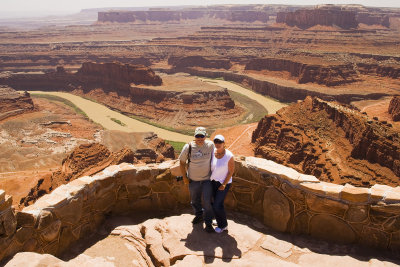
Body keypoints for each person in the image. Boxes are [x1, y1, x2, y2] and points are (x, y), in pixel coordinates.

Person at [179, 127, 215, 233]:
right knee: (195, 201)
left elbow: (218, 156)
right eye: (197, 136)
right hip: (193, 180)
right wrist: (185, 177)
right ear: (194, 136)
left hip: (207, 180)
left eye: (202, 136)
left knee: (208, 202)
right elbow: (181, 163)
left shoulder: (210, 145)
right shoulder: (188, 147)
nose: (200, 138)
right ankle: (199, 215)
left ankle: (208, 223)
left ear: (205, 136)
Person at [210, 134, 235, 233]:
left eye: (220, 142)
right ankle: (219, 221)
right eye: (216, 142)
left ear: (224, 143)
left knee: (217, 205)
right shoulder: (213, 153)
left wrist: (224, 184)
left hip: (223, 184)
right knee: (216, 203)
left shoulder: (229, 155)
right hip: (213, 182)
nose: (217, 143)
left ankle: (223, 225)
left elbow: (231, 171)